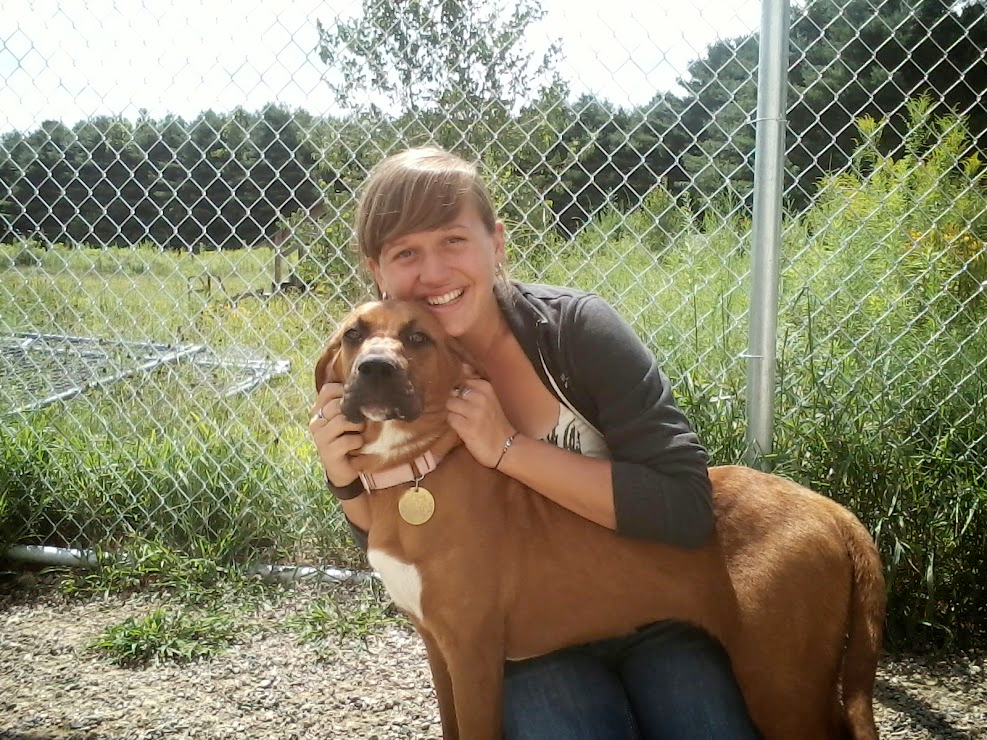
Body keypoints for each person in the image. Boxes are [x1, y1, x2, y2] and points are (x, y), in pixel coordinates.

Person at [309, 146, 762, 739]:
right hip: (534, 638)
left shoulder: (576, 331)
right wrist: (342, 474)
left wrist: (507, 449)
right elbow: (409, 541)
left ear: (496, 243)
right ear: (379, 270)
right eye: (406, 253)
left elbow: (686, 506)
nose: (435, 271)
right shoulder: (401, 377)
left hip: (656, 610)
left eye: (453, 240)